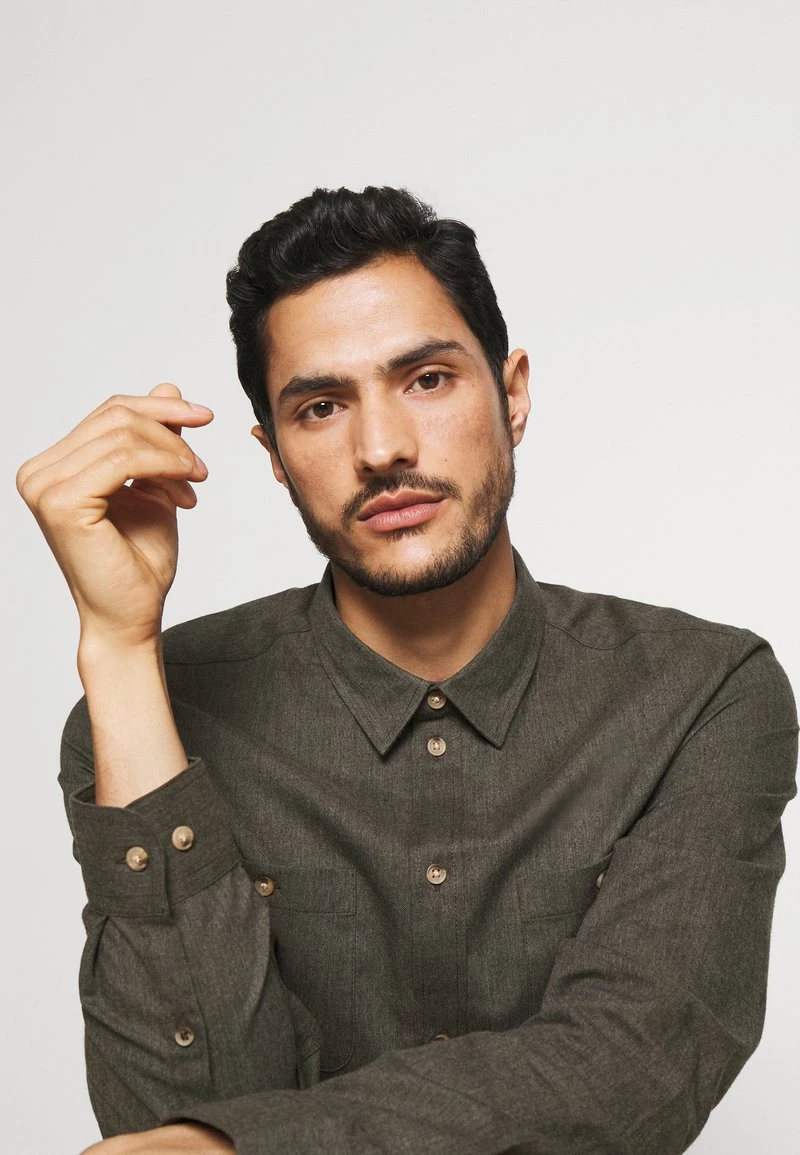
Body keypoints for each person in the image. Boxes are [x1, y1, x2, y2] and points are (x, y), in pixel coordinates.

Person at [16, 185, 798, 1155]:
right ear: (273, 454)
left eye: (426, 379)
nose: (381, 449)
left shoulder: (701, 691)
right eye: (320, 407)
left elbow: (633, 1068)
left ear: (511, 393)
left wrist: (242, 1146)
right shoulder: (153, 710)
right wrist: (119, 645)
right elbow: (166, 1116)